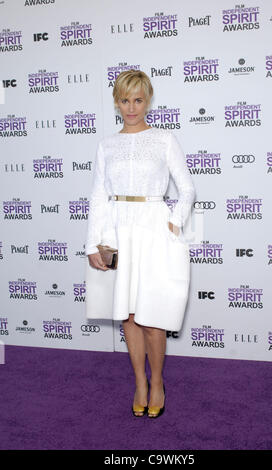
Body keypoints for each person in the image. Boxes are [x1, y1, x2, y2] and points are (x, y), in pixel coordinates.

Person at [85, 70, 196, 418]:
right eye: (124, 100)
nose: (131, 107)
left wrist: (173, 223)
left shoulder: (164, 139)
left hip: (153, 232)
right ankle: (139, 383)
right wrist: (93, 244)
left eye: (137, 100)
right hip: (117, 233)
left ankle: (158, 381)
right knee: (128, 316)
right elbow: (98, 197)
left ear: (147, 101)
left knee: (153, 317)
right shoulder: (107, 144)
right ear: (116, 102)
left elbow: (187, 188)